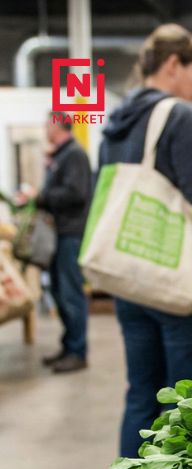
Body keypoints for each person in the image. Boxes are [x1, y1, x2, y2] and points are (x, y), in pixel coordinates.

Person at [98, 24, 192, 469]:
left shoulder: (115, 119)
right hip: (178, 286)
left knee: (141, 394)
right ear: (172, 64)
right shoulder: (178, 116)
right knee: (188, 402)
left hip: (129, 281)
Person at [16, 115, 91, 373]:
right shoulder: (61, 155)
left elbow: (76, 193)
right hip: (59, 233)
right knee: (60, 292)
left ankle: (78, 351)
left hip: (70, 234)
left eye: (47, 125)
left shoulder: (74, 155)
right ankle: (69, 346)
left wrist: (40, 197)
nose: (45, 129)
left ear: (57, 126)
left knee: (70, 293)